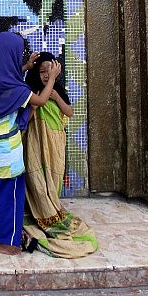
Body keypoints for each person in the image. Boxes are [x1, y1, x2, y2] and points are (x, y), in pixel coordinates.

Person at [0, 32, 61, 255]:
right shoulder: (18, 91)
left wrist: (25, 67)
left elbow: (6, 74)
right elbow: (40, 100)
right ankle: (1, 242)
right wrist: (52, 78)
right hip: (8, 151)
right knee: (9, 194)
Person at [22, 52, 98, 258]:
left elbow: (69, 112)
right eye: (42, 71)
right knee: (36, 179)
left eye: (51, 70)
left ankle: (50, 207)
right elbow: (26, 117)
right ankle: (39, 211)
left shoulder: (58, 91)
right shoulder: (32, 92)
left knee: (53, 179)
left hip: (54, 144)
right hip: (35, 145)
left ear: (57, 71)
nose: (47, 75)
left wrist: (56, 96)